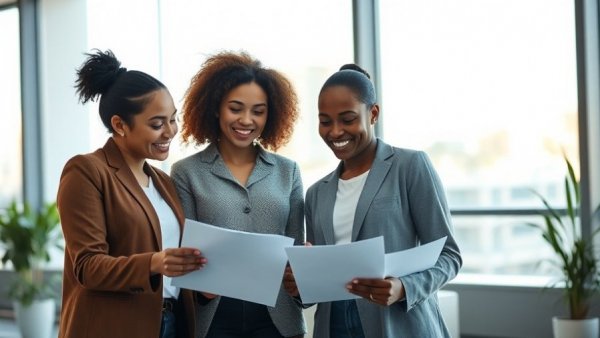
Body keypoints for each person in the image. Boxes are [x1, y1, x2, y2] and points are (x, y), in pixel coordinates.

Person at [283, 64, 462, 337]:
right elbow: (318, 282)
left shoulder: (410, 166)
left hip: (398, 323)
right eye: (325, 120)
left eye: (347, 119)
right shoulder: (317, 192)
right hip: (335, 326)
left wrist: (404, 287)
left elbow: (449, 256)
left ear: (373, 113)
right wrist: (300, 284)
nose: (335, 131)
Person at [57, 49, 206, 338]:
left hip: (170, 325)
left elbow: (172, 270)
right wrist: (154, 262)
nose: (170, 132)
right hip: (112, 327)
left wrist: (201, 290)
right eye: (156, 124)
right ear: (120, 125)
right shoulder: (86, 171)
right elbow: (88, 267)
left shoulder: (163, 181)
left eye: (173, 119)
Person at [170, 51, 306, 338]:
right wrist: (199, 290)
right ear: (216, 108)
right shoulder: (186, 172)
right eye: (235, 108)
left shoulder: (288, 171)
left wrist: (304, 271)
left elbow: (295, 253)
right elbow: (184, 253)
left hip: (278, 320)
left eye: (258, 111)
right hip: (214, 319)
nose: (246, 120)